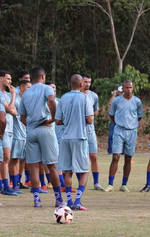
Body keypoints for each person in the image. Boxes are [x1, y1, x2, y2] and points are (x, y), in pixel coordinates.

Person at [19, 66, 66, 208]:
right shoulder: (47, 88)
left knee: (34, 167)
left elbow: (22, 118)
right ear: (43, 77)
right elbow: (51, 100)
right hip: (45, 129)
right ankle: (58, 199)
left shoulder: (26, 93)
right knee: (52, 165)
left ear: (31, 78)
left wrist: (31, 125)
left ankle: (36, 200)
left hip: (31, 131)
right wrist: (54, 117)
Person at [56, 74, 93, 210]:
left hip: (65, 138)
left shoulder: (63, 98)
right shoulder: (84, 98)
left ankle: (69, 202)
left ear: (69, 84)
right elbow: (89, 120)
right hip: (80, 137)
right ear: (80, 84)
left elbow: (58, 121)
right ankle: (78, 201)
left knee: (68, 171)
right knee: (84, 171)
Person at [104, 80, 143, 192]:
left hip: (131, 131)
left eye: (130, 87)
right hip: (119, 130)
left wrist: (131, 124)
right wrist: (119, 123)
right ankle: (110, 184)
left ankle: (124, 184)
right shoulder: (117, 101)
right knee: (116, 156)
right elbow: (111, 115)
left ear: (133, 88)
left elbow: (139, 116)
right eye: (126, 88)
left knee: (128, 158)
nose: (128, 90)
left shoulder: (137, 101)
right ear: (123, 89)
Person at [0, 70, 18, 196]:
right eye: (8, 79)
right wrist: (14, 95)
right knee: (5, 158)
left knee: (6, 158)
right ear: (0, 79)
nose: (10, 81)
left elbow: (14, 111)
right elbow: (10, 109)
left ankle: (3, 184)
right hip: (2, 129)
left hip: (9, 129)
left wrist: (11, 107)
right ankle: (5, 185)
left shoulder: (7, 95)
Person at [81, 73, 103, 190]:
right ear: (81, 82)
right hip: (78, 131)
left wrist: (89, 116)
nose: (88, 84)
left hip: (90, 131)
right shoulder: (77, 96)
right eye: (85, 82)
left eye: (89, 82)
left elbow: (96, 111)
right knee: (79, 157)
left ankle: (96, 182)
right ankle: (80, 182)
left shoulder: (93, 96)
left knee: (93, 156)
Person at [9, 79, 31, 193]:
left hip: (25, 134)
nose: (30, 90)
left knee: (21, 160)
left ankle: (18, 182)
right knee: (15, 160)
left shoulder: (27, 100)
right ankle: (14, 184)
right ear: (21, 88)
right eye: (28, 88)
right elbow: (12, 111)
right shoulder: (16, 100)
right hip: (16, 134)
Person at [107, 86, 123, 155]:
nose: (122, 93)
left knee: (123, 136)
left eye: (123, 92)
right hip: (114, 120)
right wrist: (114, 94)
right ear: (118, 92)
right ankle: (110, 150)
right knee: (111, 135)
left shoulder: (127, 99)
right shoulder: (116, 99)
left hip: (123, 121)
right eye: (121, 92)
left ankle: (122, 151)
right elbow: (110, 103)